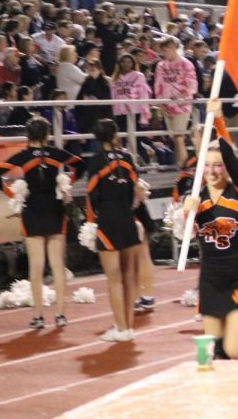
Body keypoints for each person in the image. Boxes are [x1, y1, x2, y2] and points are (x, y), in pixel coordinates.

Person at [178, 99, 238, 359]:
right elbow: (187, 234)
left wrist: (218, 121)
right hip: (211, 278)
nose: (212, 171)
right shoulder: (196, 196)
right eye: (206, 165)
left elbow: (229, 155)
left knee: (235, 348)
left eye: (217, 165)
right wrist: (188, 211)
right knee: (215, 351)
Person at [0, 117, 85, 329]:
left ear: (28, 136)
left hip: (32, 210)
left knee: (36, 266)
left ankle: (39, 316)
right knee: (58, 265)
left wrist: (12, 193)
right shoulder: (56, 153)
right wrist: (67, 186)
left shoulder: (23, 155)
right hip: (55, 208)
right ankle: (60, 315)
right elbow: (80, 164)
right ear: (47, 135)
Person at [85, 118, 143, 341]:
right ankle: (128, 326)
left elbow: (91, 195)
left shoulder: (96, 161)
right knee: (129, 276)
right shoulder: (128, 158)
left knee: (114, 278)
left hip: (108, 219)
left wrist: (93, 221)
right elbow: (135, 190)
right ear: (115, 135)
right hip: (127, 218)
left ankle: (120, 329)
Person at [154, 36, 197, 166]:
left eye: (166, 49)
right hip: (167, 105)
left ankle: (182, 166)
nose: (164, 52)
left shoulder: (186, 64)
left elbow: (192, 85)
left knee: (179, 137)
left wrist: (180, 96)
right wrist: (161, 102)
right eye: (163, 50)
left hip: (182, 105)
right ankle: (180, 165)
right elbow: (158, 84)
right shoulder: (160, 65)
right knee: (174, 138)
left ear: (174, 48)